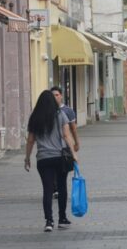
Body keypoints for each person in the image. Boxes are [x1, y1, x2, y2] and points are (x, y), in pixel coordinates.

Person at [24, 90, 78, 232]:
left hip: (43, 159)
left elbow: (30, 140)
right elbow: (66, 136)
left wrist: (27, 158)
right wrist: (74, 154)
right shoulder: (61, 115)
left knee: (47, 190)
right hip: (60, 158)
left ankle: (49, 221)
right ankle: (62, 218)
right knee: (61, 187)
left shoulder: (34, 117)